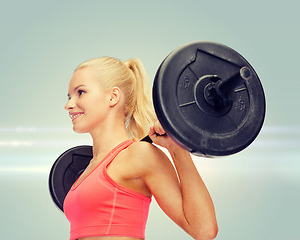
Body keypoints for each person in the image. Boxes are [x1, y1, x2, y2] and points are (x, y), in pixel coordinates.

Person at [63, 57, 218, 240]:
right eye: (69, 97)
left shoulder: (139, 155)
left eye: (80, 92)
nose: (69, 105)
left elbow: (204, 230)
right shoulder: (87, 170)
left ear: (113, 97)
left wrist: (177, 149)